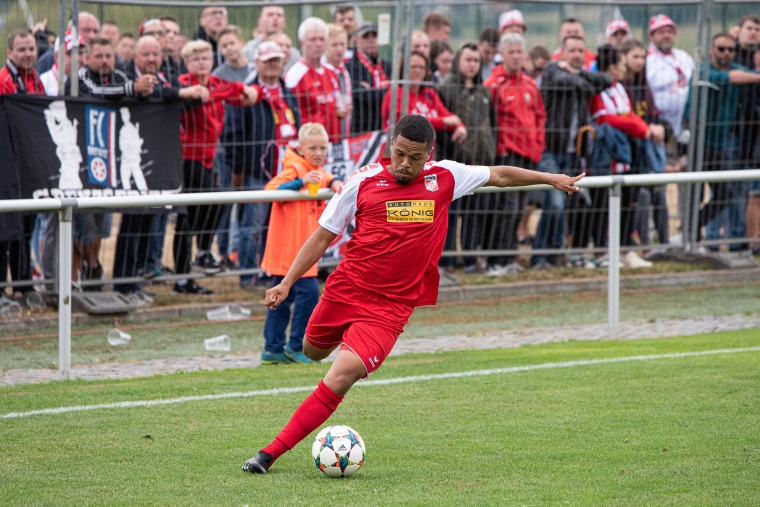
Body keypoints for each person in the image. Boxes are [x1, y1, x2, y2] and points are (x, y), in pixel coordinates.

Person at [240, 113, 583, 474]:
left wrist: (550, 179)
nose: (406, 164)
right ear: (391, 146)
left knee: (341, 376)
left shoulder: (446, 176)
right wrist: (286, 282)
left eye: (415, 158)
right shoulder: (362, 181)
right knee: (312, 350)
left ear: (429, 153)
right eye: (400, 154)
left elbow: (498, 175)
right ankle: (345, 339)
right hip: (347, 288)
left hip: (390, 308)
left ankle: (267, 454)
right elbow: (324, 235)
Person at [172, 40, 258, 295]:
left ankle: (195, 261)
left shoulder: (215, 83)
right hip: (188, 157)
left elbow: (233, 90)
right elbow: (214, 94)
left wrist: (244, 89)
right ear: (187, 63)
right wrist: (237, 90)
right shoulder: (184, 84)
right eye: (195, 58)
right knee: (193, 214)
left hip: (208, 157)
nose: (201, 62)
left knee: (203, 210)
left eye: (205, 57)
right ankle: (192, 264)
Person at [259, 123, 342, 364]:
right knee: (307, 296)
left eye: (323, 148)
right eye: (313, 148)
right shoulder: (295, 168)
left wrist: (335, 182)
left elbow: (327, 177)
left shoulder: (315, 169)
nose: (319, 152)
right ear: (301, 148)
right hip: (289, 251)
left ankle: (273, 349)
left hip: (298, 252)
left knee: (279, 301)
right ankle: (294, 346)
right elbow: (270, 189)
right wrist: (300, 182)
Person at [530, 35, 611, 269]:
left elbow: (605, 80)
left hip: (572, 153)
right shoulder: (552, 71)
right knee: (554, 203)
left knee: (562, 205)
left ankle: (555, 256)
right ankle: (539, 257)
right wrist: (580, 78)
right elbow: (576, 84)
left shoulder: (578, 73)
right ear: (562, 53)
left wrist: (579, 74)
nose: (576, 55)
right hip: (549, 151)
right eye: (572, 50)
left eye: (580, 51)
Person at [586, 45, 664, 269]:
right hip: (605, 157)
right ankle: (601, 252)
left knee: (628, 203)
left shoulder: (619, 87)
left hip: (626, 155)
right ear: (612, 67)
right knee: (602, 204)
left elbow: (627, 115)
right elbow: (607, 119)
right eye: (621, 64)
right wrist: (641, 129)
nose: (625, 68)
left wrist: (644, 128)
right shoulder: (598, 90)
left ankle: (625, 249)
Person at [231, 40, 301, 290]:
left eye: (276, 60)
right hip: (258, 172)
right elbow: (236, 134)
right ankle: (247, 275)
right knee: (252, 227)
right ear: (257, 63)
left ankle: (270, 272)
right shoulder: (247, 95)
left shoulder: (289, 92)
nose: (272, 65)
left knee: (276, 227)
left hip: (287, 174)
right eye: (267, 61)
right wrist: (238, 169)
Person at [681, 33, 760, 243]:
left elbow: (744, 74)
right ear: (711, 50)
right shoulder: (703, 71)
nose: (726, 53)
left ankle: (692, 230)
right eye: (721, 49)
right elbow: (731, 78)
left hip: (718, 144)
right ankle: (690, 238)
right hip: (697, 143)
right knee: (695, 193)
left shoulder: (737, 68)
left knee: (725, 194)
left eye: (730, 50)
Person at [483, 33, 546, 275]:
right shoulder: (494, 85)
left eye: (520, 51)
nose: (517, 56)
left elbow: (540, 118)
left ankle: (508, 258)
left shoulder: (531, 85)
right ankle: (495, 261)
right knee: (504, 210)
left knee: (519, 210)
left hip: (528, 156)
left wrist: (537, 146)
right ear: (502, 55)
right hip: (506, 157)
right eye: (512, 52)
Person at [437, 41, 496, 273]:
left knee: (475, 214)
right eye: (468, 60)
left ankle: (471, 259)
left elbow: (493, 124)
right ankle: (447, 260)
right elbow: (441, 128)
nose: (472, 65)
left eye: (476, 61)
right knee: (450, 215)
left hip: (481, 163)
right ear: (458, 61)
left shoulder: (485, 92)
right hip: (455, 165)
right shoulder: (446, 89)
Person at [0, 29, 44, 298]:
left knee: (26, 227)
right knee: (4, 229)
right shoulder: (4, 80)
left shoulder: (36, 79)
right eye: (22, 50)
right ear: (10, 53)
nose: (28, 54)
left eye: (31, 49)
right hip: (6, 167)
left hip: (28, 166)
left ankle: (24, 285)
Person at [621, 39, 673, 250]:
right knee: (641, 194)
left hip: (647, 152)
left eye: (643, 57)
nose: (639, 61)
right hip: (629, 154)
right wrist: (645, 128)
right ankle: (644, 245)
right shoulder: (620, 85)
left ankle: (665, 245)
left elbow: (653, 115)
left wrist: (661, 128)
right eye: (635, 56)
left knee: (658, 193)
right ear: (624, 57)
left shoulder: (644, 86)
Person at [213, 25, 257, 269]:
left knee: (247, 201)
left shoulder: (252, 71)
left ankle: (240, 250)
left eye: (232, 43)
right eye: (224, 45)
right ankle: (222, 251)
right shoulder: (219, 74)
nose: (229, 48)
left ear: (241, 42)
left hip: (251, 143)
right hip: (227, 145)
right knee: (226, 198)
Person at [381, 51, 466, 145]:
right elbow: (406, 123)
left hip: (426, 155)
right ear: (403, 69)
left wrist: (459, 125)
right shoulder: (394, 94)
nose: (418, 70)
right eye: (413, 66)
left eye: (421, 67)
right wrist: (443, 121)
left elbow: (449, 117)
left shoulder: (430, 94)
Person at [286, 17, 340, 141]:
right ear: (302, 42)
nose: (318, 44)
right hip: (310, 145)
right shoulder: (294, 76)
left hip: (334, 144)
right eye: (313, 39)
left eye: (322, 39)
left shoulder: (331, 71)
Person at [346, 23, 391, 134]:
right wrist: (389, 90)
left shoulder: (387, 66)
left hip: (385, 129)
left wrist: (372, 90)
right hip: (361, 130)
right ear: (356, 40)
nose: (371, 40)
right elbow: (364, 96)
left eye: (374, 36)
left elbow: (398, 93)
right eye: (366, 37)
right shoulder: (350, 67)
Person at [322, 24, 352, 139]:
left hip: (344, 131)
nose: (339, 49)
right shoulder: (321, 71)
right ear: (325, 46)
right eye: (334, 45)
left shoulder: (344, 70)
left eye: (342, 44)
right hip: (326, 134)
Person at [194, 1, 229, 69]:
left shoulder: (234, 44)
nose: (218, 17)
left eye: (221, 13)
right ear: (202, 20)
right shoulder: (196, 46)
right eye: (213, 13)